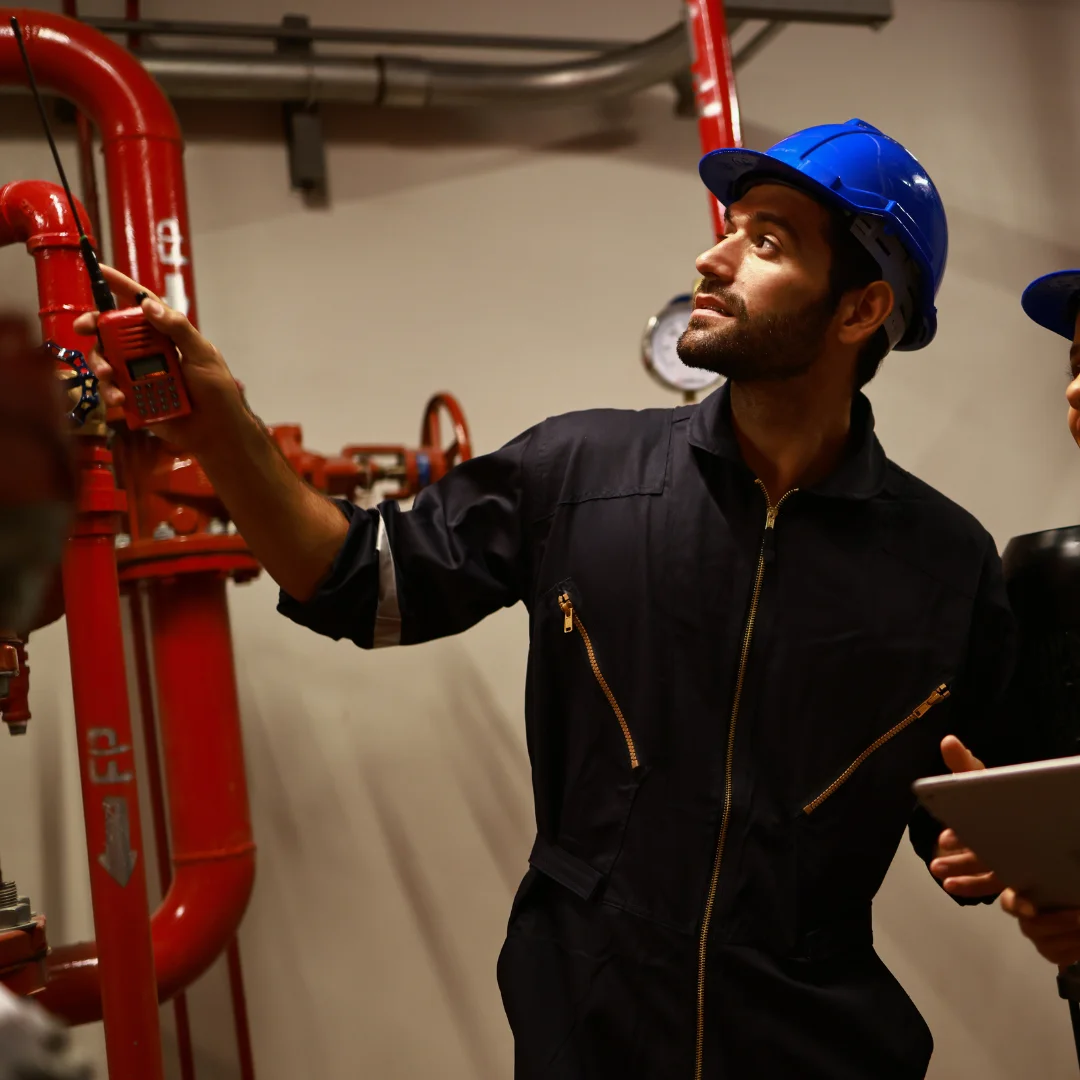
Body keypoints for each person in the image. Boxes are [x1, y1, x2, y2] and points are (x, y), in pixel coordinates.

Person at [76, 119, 1030, 1080]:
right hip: (591, 1039)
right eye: (730, 225)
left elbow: (972, 807)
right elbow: (360, 583)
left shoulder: (945, 564)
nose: (713, 254)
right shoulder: (584, 472)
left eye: (767, 240)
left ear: (862, 310)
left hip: (819, 1053)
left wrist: (985, 852)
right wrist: (223, 421)